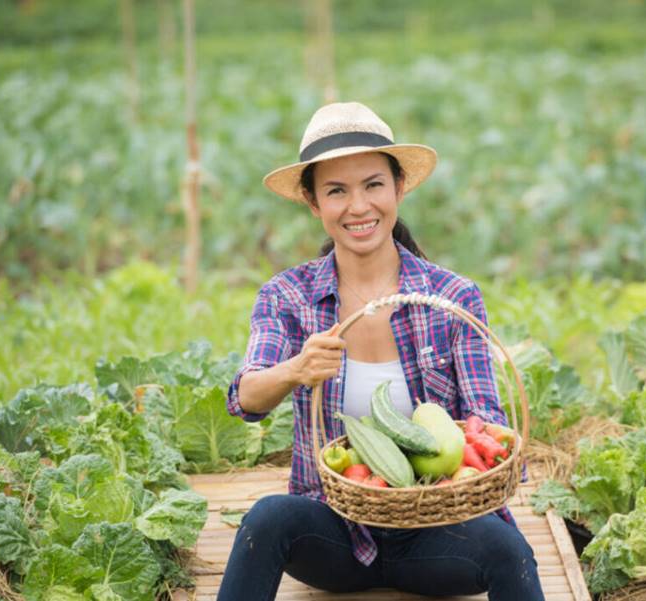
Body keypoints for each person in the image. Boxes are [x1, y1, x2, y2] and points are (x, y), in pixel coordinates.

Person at [220, 102, 544, 601]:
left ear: (399, 188)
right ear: (313, 203)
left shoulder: (453, 298)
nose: (358, 206)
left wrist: (448, 477)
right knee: (267, 519)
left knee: (511, 553)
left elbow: (489, 421)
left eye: (373, 185)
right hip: (336, 533)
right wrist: (295, 369)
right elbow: (245, 399)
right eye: (336, 191)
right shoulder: (288, 296)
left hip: (440, 533)